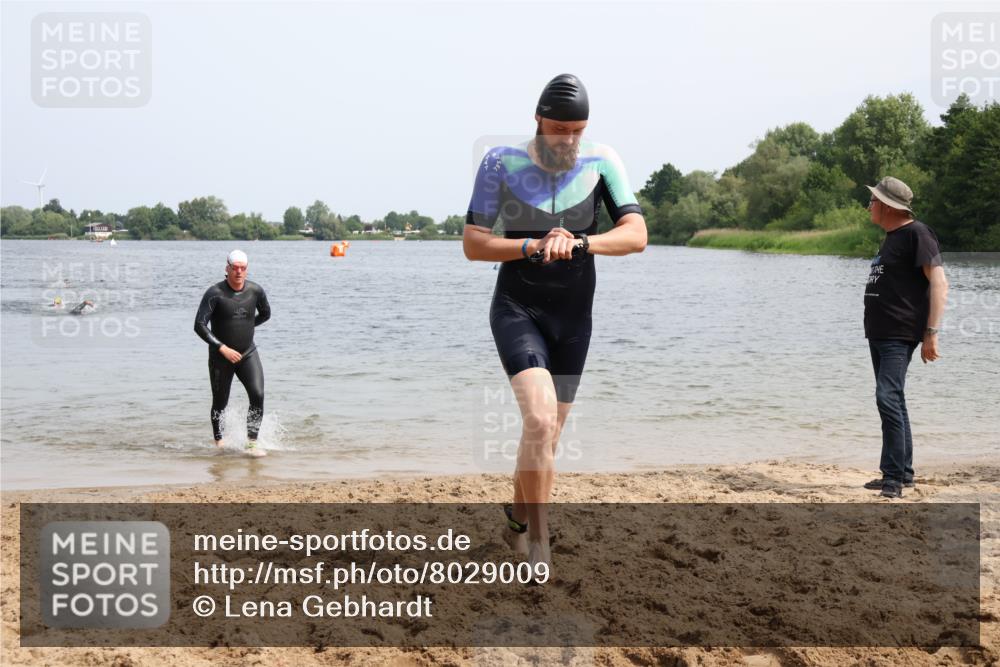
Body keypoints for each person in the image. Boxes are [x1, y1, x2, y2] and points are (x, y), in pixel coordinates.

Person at [463, 74, 647, 566]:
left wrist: (582, 242)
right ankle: (540, 544)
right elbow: (474, 244)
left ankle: (515, 521)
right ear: (538, 120)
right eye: (559, 129)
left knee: (545, 434)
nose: (568, 140)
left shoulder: (602, 162)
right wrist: (531, 245)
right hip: (517, 308)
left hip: (574, 319)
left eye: (577, 131)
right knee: (540, 420)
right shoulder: (500, 162)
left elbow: (636, 234)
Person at [862, 177, 948, 499]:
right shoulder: (892, 237)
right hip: (880, 333)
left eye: (873, 201)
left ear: (887, 206)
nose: (869, 206)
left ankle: (893, 480)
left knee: (886, 397)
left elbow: (939, 282)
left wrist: (931, 333)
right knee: (893, 399)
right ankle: (902, 472)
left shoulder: (917, 234)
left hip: (899, 334)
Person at [194, 250, 271, 457]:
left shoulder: (255, 291)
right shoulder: (215, 293)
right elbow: (199, 325)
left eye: (242, 268)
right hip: (221, 356)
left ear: (246, 269)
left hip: (248, 353)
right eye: (235, 268)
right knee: (220, 403)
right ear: (227, 268)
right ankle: (219, 442)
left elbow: (266, 314)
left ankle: (252, 443)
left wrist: (247, 325)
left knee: (258, 394)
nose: (238, 272)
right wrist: (223, 348)